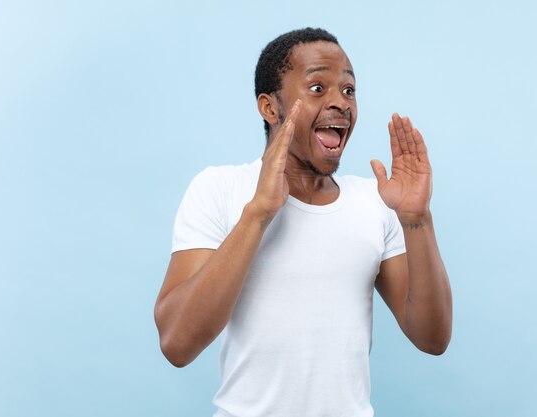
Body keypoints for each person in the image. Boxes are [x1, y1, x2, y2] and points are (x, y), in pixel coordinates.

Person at [154, 27, 452, 417]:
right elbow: (177, 343)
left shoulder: (375, 203)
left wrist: (417, 219)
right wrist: (259, 212)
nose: (340, 103)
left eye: (348, 90)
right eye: (317, 88)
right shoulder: (219, 188)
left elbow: (432, 337)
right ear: (269, 107)